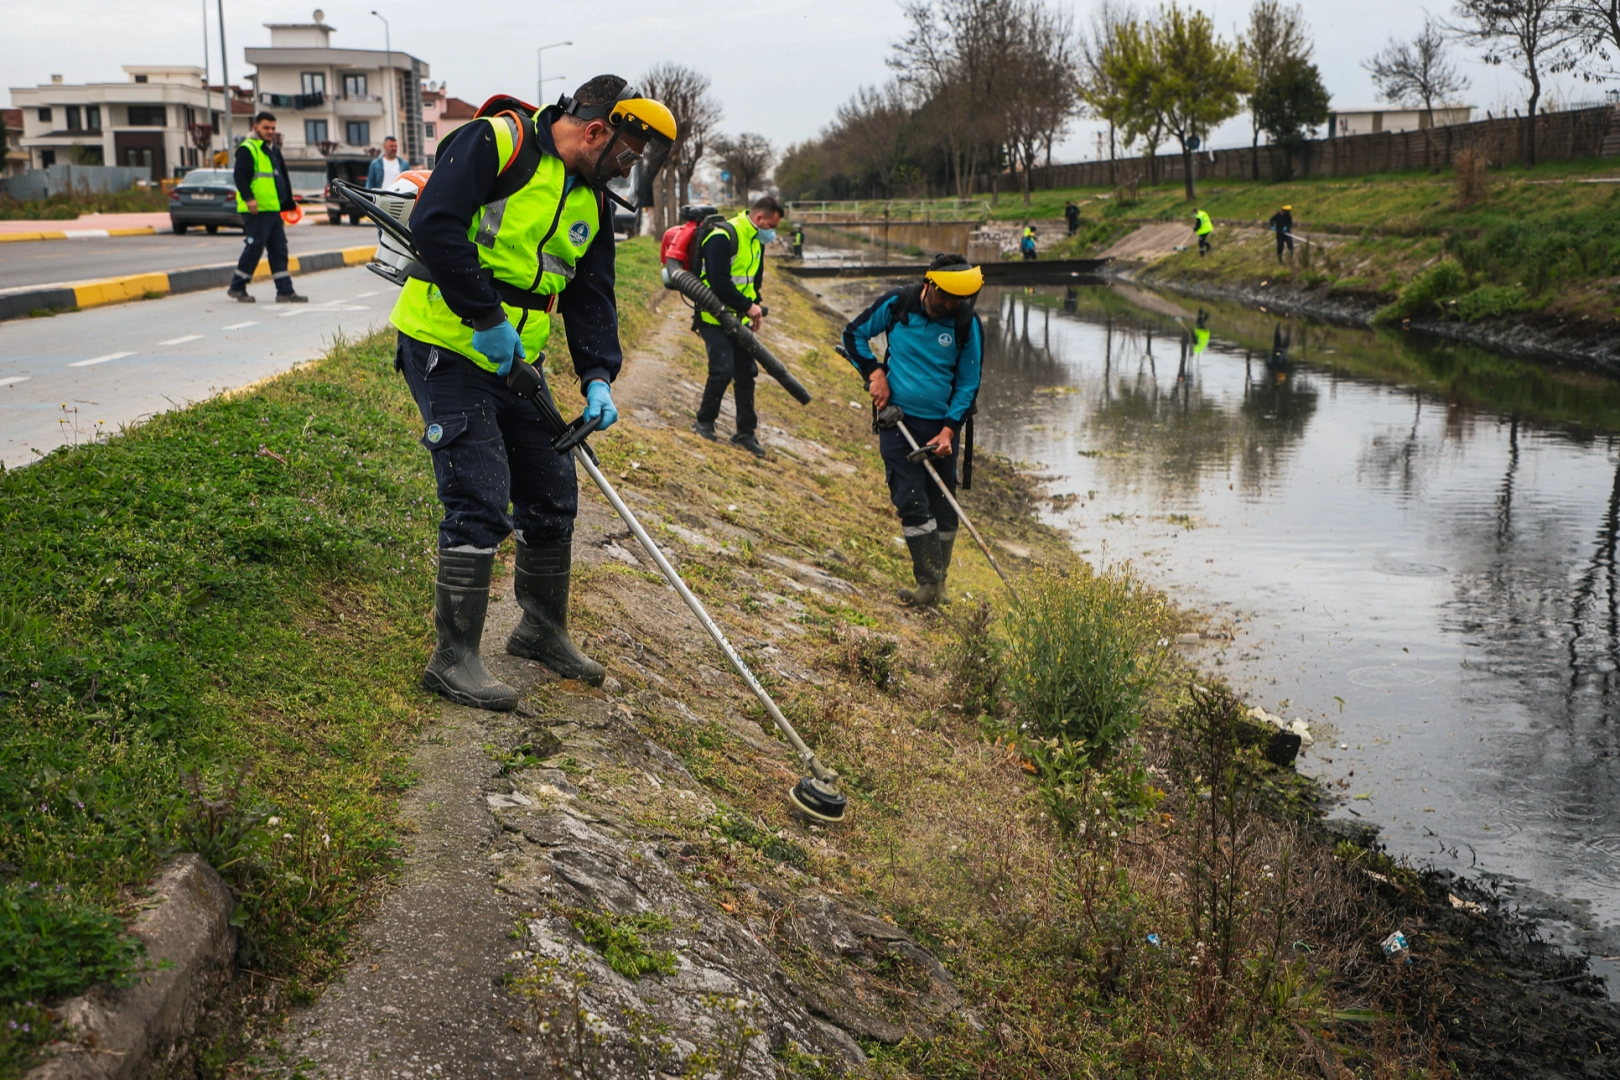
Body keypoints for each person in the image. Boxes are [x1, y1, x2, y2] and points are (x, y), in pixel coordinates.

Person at [389, 76, 676, 709]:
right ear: (596, 131)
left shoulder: (591, 200)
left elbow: (591, 294)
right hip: (448, 341)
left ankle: (541, 631)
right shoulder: (497, 142)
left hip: (523, 360)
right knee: (480, 492)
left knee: (553, 489)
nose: (626, 171)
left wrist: (599, 375)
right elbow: (437, 227)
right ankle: (453, 658)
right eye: (625, 156)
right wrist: (487, 322)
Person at [842, 254, 984, 607]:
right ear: (929, 285)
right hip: (897, 420)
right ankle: (927, 581)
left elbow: (969, 383)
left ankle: (941, 583)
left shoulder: (967, 323)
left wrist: (951, 431)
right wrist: (874, 373)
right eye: (944, 297)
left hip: (942, 428)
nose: (949, 305)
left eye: (957, 300)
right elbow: (854, 334)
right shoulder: (898, 304)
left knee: (944, 504)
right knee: (912, 500)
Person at [690, 195, 784, 458]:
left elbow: (753, 281)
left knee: (746, 372)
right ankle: (704, 422)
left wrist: (755, 308)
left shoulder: (756, 240)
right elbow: (719, 283)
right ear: (759, 219)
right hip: (713, 316)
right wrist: (747, 306)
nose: (773, 233)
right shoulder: (723, 236)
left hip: (739, 318)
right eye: (772, 227)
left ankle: (745, 432)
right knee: (722, 369)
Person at [226, 112, 306, 303]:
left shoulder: (272, 150)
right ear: (256, 127)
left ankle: (285, 291)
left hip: (272, 208)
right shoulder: (249, 148)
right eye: (266, 128)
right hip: (255, 210)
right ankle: (237, 286)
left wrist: (288, 203)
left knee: (279, 249)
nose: (270, 131)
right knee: (255, 247)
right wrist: (249, 199)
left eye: (272, 128)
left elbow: (281, 178)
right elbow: (240, 177)